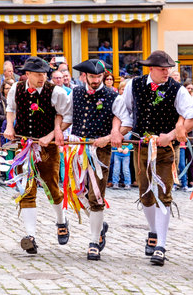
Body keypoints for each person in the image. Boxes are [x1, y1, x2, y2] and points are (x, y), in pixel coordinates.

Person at [111, 50, 193, 266]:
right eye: (162, 69)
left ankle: (161, 244)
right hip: (141, 146)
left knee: (164, 194)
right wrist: (116, 132)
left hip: (166, 149)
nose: (166, 72)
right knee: (145, 195)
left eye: (169, 68)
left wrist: (170, 134)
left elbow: (192, 117)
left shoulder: (177, 89)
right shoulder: (134, 85)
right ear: (151, 69)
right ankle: (152, 231)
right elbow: (124, 112)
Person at [4, 56, 71, 254]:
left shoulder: (56, 91)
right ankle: (30, 235)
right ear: (28, 75)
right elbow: (10, 109)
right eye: (38, 74)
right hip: (23, 146)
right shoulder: (17, 89)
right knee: (26, 188)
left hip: (47, 147)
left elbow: (66, 116)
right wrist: (9, 126)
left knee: (51, 185)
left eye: (44, 74)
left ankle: (61, 221)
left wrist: (51, 134)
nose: (43, 78)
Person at [68, 59, 118, 260]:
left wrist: (111, 134)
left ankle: (93, 242)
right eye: (93, 77)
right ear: (84, 77)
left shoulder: (113, 96)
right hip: (77, 149)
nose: (96, 80)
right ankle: (100, 226)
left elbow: (122, 120)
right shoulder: (75, 93)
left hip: (100, 150)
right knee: (76, 191)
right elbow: (66, 117)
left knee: (96, 195)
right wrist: (58, 132)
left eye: (99, 76)